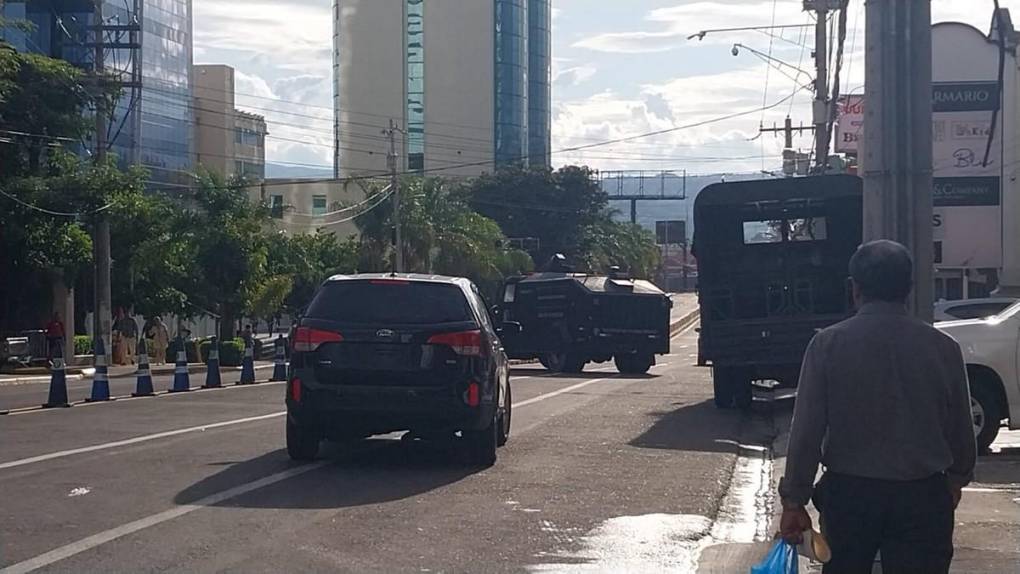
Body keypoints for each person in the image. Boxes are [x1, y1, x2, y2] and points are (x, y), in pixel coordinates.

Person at [779, 240, 976, 574]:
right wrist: (956, 479)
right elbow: (960, 427)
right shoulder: (943, 348)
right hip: (923, 497)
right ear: (909, 289)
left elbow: (806, 432)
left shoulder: (828, 345)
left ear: (855, 288)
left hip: (851, 497)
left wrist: (794, 500)